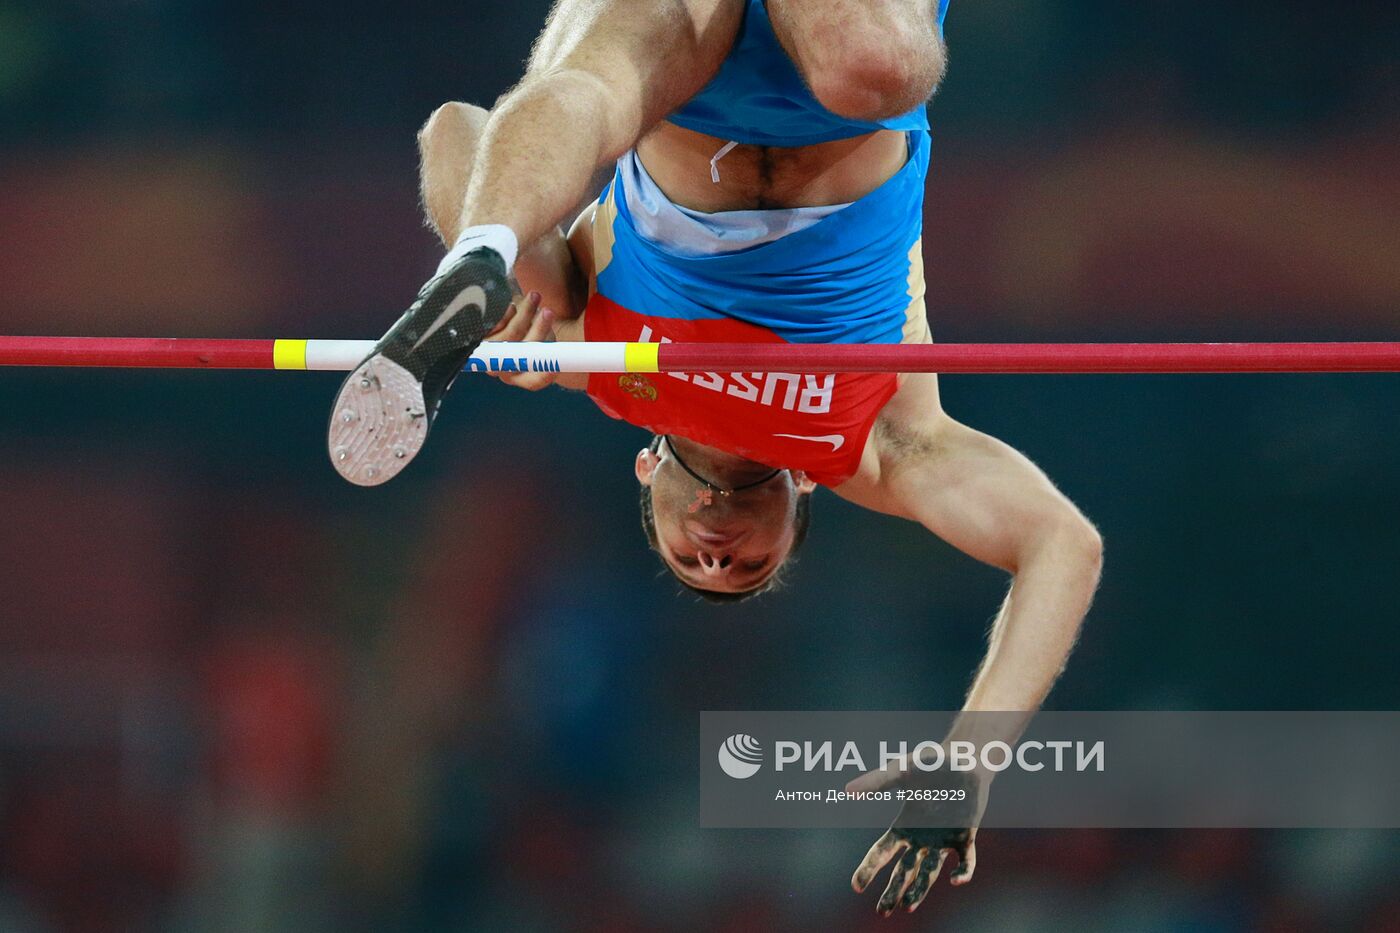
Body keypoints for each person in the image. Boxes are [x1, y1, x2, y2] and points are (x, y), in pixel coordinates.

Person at [334, 0, 1104, 915]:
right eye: (745, 566)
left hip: (679, 88)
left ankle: (478, 256)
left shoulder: (596, 365)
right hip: (839, 87)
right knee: (876, 67)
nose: (715, 549)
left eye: (692, 562)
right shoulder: (871, 445)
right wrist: (970, 762)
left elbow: (453, 131)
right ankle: (484, 247)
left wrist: (517, 265)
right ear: (800, 503)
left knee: (583, 102)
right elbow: (1064, 544)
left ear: (647, 473)